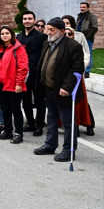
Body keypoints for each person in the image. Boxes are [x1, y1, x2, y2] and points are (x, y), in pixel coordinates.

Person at [33, 18, 84, 161]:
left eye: (51, 29)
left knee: (68, 122)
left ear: (61, 32)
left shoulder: (73, 46)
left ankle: (68, 150)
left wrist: (66, 87)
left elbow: (77, 69)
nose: (48, 32)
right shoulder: (47, 43)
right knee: (52, 117)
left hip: (63, 91)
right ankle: (50, 144)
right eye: (47, 29)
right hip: (48, 88)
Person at [0, 26, 29, 144]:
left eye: (7, 33)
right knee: (4, 108)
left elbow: (23, 68)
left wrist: (19, 83)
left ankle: (18, 133)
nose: (5, 35)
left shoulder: (18, 49)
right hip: (0, 84)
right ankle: (8, 130)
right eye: (2, 34)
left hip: (13, 84)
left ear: (12, 35)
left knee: (16, 109)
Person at [16, 11, 47, 136]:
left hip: (36, 73)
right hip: (23, 74)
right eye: (25, 19)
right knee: (26, 100)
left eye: (29, 18)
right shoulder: (19, 37)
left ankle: (39, 125)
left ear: (34, 21)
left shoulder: (41, 37)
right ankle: (30, 123)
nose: (27, 21)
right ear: (22, 21)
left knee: (39, 100)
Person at [62, 18, 95, 136]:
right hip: (64, 76)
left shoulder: (79, 36)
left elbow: (86, 53)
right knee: (66, 102)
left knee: (80, 101)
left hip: (76, 75)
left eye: (67, 23)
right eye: (63, 24)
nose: (66, 27)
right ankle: (72, 125)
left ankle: (89, 124)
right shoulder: (59, 40)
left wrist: (81, 68)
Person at [76, 2, 97, 78]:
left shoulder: (92, 16)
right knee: (78, 54)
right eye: (81, 7)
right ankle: (80, 69)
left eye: (84, 7)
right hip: (78, 38)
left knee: (88, 54)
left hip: (87, 39)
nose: (82, 8)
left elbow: (95, 27)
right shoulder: (79, 16)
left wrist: (87, 36)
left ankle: (87, 72)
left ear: (88, 8)